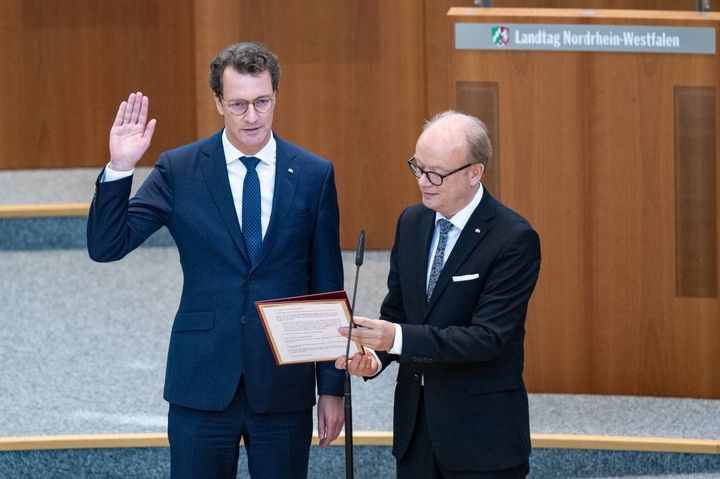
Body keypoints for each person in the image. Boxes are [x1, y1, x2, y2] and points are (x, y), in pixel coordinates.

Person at [87, 42, 345, 479]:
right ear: (218, 103)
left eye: (262, 102)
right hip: (202, 381)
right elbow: (107, 245)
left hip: (283, 385)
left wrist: (333, 389)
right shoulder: (180, 169)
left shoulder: (313, 173)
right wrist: (119, 167)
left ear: (275, 96)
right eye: (239, 104)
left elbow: (326, 283)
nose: (252, 116)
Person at [336, 111, 541, 478]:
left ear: (474, 173)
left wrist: (396, 338)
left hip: (481, 440)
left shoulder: (513, 238)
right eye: (417, 167)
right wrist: (375, 357)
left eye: (436, 174)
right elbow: (398, 312)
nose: (423, 182)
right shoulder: (411, 223)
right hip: (416, 437)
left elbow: (487, 338)